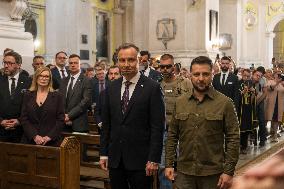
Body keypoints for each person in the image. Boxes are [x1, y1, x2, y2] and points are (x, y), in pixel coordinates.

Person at [165, 56, 240, 189]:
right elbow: (172, 135)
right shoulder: (180, 102)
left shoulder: (225, 103)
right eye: (196, 74)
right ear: (190, 75)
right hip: (185, 173)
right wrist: (169, 163)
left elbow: (233, 138)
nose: (200, 78)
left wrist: (229, 171)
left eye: (205, 74)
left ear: (212, 74)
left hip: (213, 174)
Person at [99, 43, 165, 189]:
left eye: (131, 60)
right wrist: (103, 153)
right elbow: (107, 124)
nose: (126, 64)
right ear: (117, 62)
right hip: (116, 158)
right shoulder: (112, 87)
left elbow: (157, 127)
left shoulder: (152, 87)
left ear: (139, 60)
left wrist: (154, 158)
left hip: (141, 160)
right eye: (122, 60)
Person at [158, 53, 192, 189]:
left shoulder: (185, 83)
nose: (165, 69)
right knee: (164, 165)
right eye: (162, 67)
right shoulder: (157, 85)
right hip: (165, 131)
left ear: (174, 67)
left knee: (186, 164)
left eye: (168, 66)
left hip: (183, 131)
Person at [20, 67, 64, 146]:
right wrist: (34, 136)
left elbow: (60, 119)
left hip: (51, 141)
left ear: (50, 79)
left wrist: (49, 137)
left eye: (47, 76)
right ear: (36, 77)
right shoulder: (27, 95)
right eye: (41, 76)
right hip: (30, 140)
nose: (44, 78)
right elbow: (24, 118)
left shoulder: (58, 96)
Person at [0, 51, 31, 142]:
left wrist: (19, 121)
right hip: (1, 131)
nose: (6, 66)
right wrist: (1, 121)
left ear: (19, 65)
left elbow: (31, 106)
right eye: (4, 62)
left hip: (22, 131)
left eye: (9, 63)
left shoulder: (28, 82)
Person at [59, 54, 92, 133]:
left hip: (79, 124)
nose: (73, 65)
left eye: (76, 63)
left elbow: (85, 101)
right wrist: (63, 116)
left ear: (80, 64)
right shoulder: (64, 81)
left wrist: (69, 116)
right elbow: (60, 100)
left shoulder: (86, 80)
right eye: (71, 63)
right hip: (63, 123)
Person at [237, 69, 257, 153]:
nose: (246, 78)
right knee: (240, 127)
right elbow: (236, 96)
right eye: (245, 75)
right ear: (242, 74)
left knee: (247, 128)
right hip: (240, 109)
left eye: (248, 76)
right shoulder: (238, 83)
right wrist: (242, 92)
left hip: (248, 109)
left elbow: (253, 100)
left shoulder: (251, 84)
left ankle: (244, 147)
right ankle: (239, 146)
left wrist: (253, 92)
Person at [265, 73, 284, 142]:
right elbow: (270, 88)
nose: (278, 76)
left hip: (279, 104)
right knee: (266, 119)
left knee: (276, 120)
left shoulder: (282, 83)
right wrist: (277, 82)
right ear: (274, 76)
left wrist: (281, 83)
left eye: (279, 75)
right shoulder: (270, 81)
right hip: (270, 104)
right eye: (277, 75)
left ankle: (275, 135)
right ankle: (264, 134)